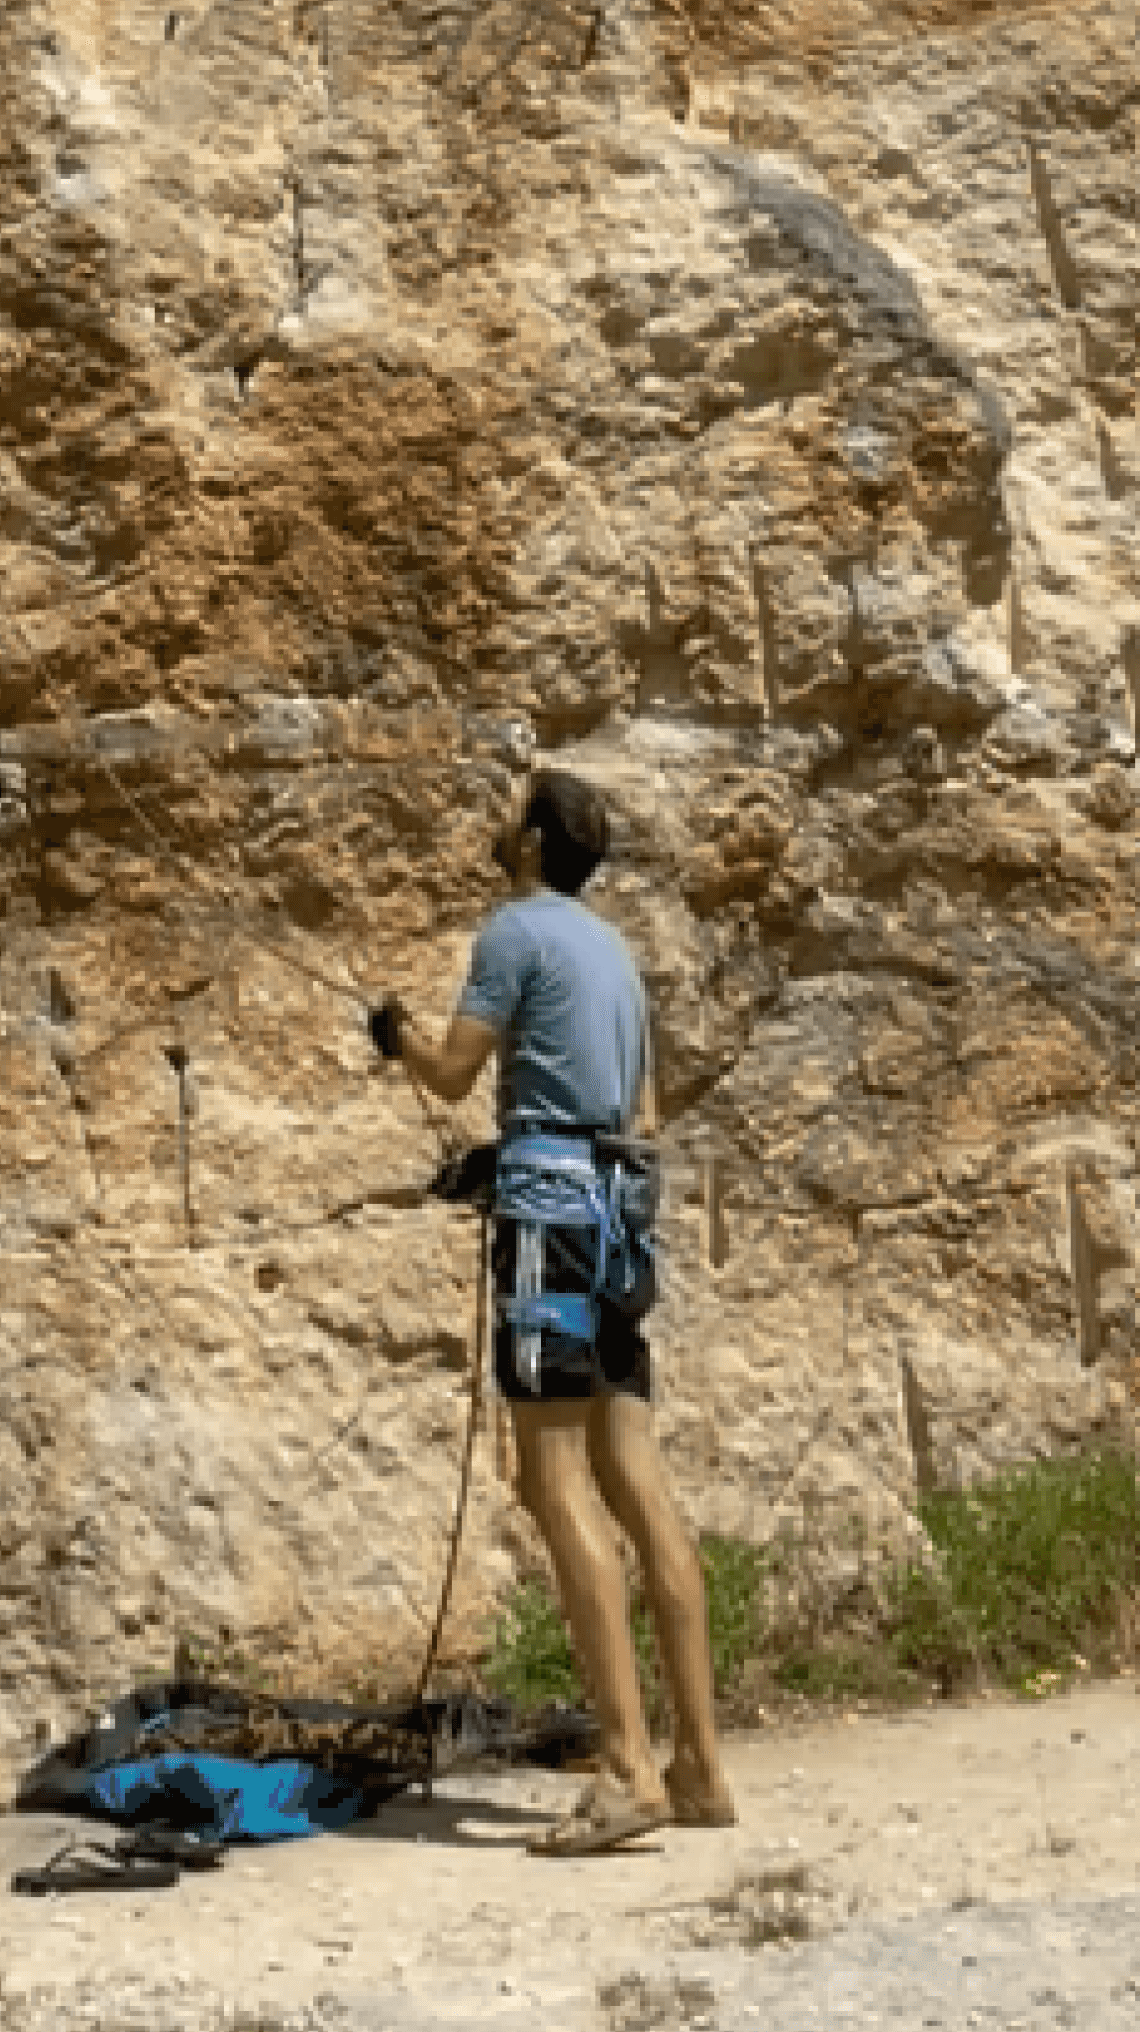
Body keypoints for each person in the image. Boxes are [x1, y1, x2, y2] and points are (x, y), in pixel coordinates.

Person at [368, 766, 736, 1857]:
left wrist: (394, 1033)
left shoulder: (512, 930)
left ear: (531, 841)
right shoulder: (614, 953)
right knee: (638, 1476)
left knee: (550, 1474)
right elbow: (641, 1107)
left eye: (509, 810)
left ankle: (627, 1767)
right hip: (623, 1215)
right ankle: (701, 1762)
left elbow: (449, 1070)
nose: (496, 823)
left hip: (549, 1219)